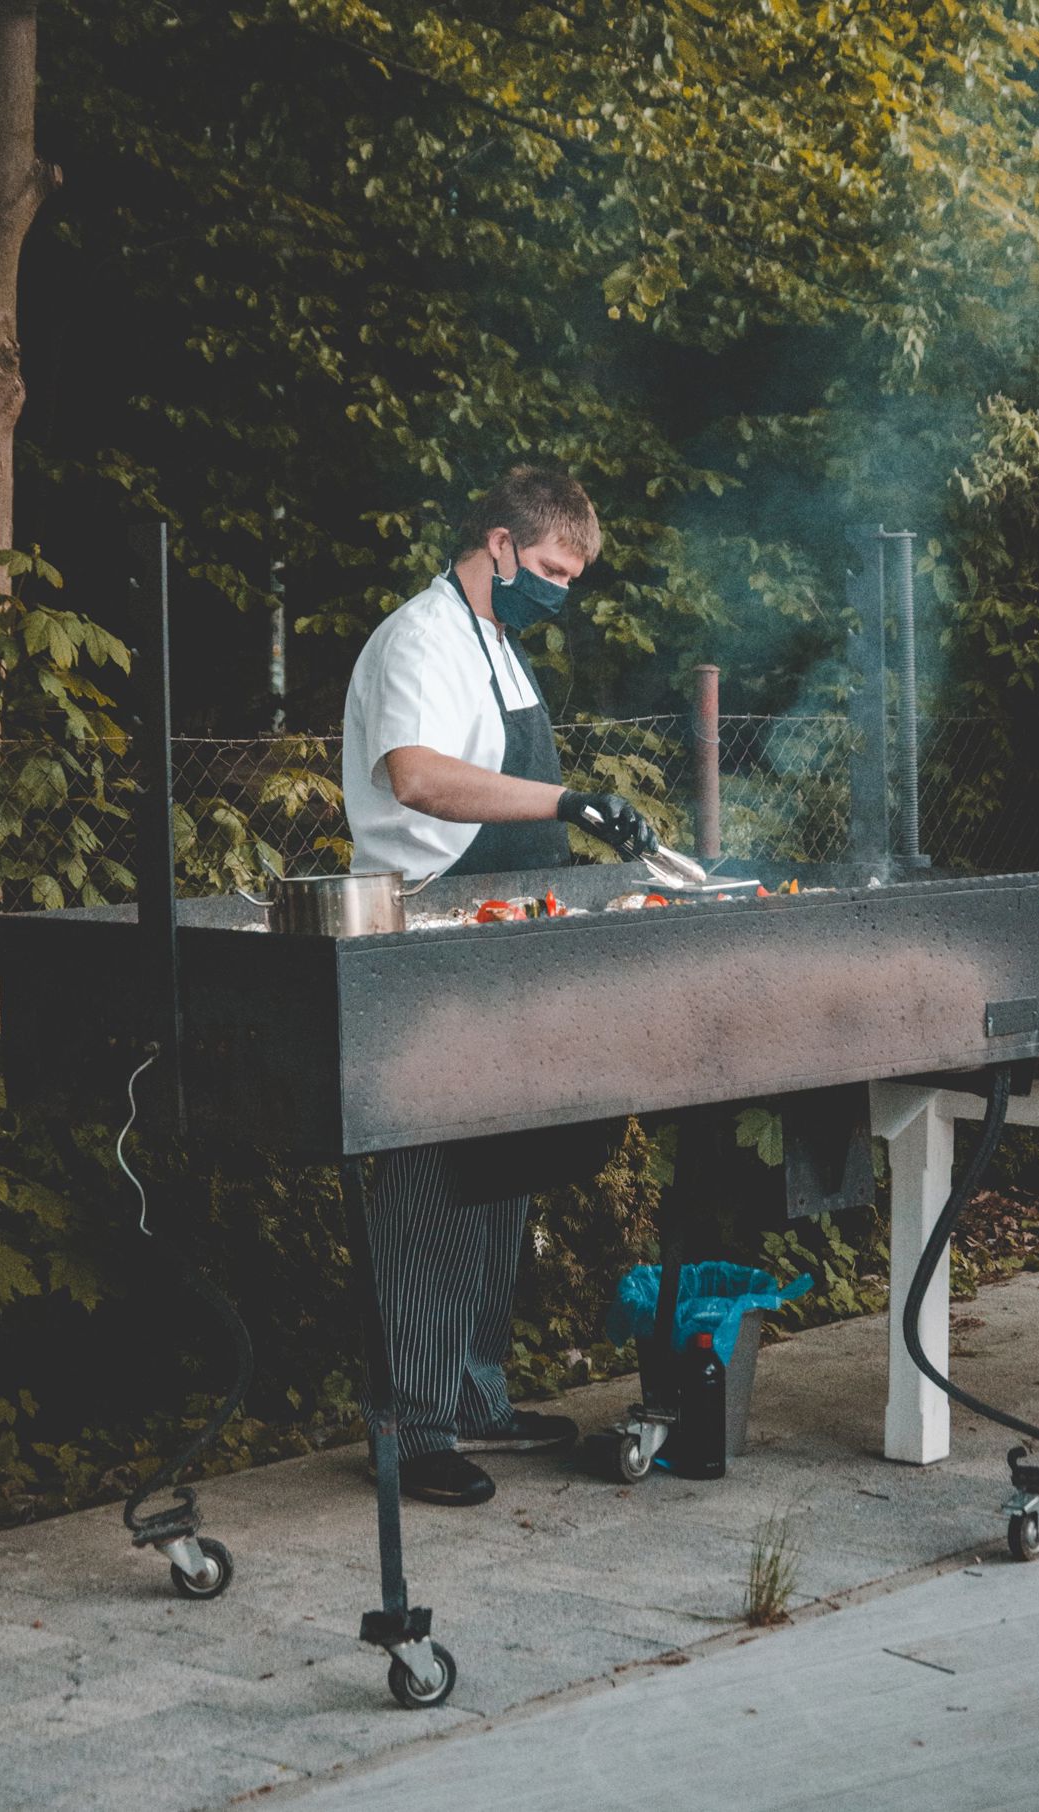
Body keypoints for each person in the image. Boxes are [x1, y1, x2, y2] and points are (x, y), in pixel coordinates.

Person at [342, 464, 658, 1505]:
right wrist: (572, 800)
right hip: (429, 920)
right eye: (555, 568)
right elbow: (418, 778)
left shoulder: (502, 648)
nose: (563, 589)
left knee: (504, 1167)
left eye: (575, 574)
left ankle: (476, 1396)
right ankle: (414, 1427)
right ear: (501, 544)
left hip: (504, 921)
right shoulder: (419, 640)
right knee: (437, 1175)